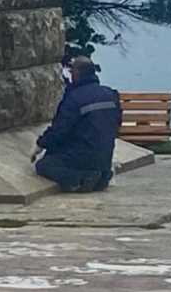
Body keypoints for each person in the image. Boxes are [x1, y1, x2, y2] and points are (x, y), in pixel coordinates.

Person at [31, 57, 122, 193]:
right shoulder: (110, 94)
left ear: (77, 74)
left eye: (71, 71)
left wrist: (40, 145)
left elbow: (59, 130)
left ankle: (79, 179)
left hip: (82, 155)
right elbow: (117, 123)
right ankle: (103, 176)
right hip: (105, 155)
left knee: (44, 165)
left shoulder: (74, 98)